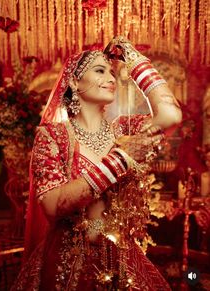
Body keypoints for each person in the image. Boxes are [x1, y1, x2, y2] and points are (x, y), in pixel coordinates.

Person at [11, 37, 182, 290]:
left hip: (120, 257)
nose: (112, 79)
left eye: (113, 73)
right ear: (73, 81)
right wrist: (120, 159)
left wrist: (134, 59)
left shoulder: (123, 128)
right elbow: (52, 205)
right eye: (100, 71)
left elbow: (170, 115)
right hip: (69, 262)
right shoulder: (53, 136)